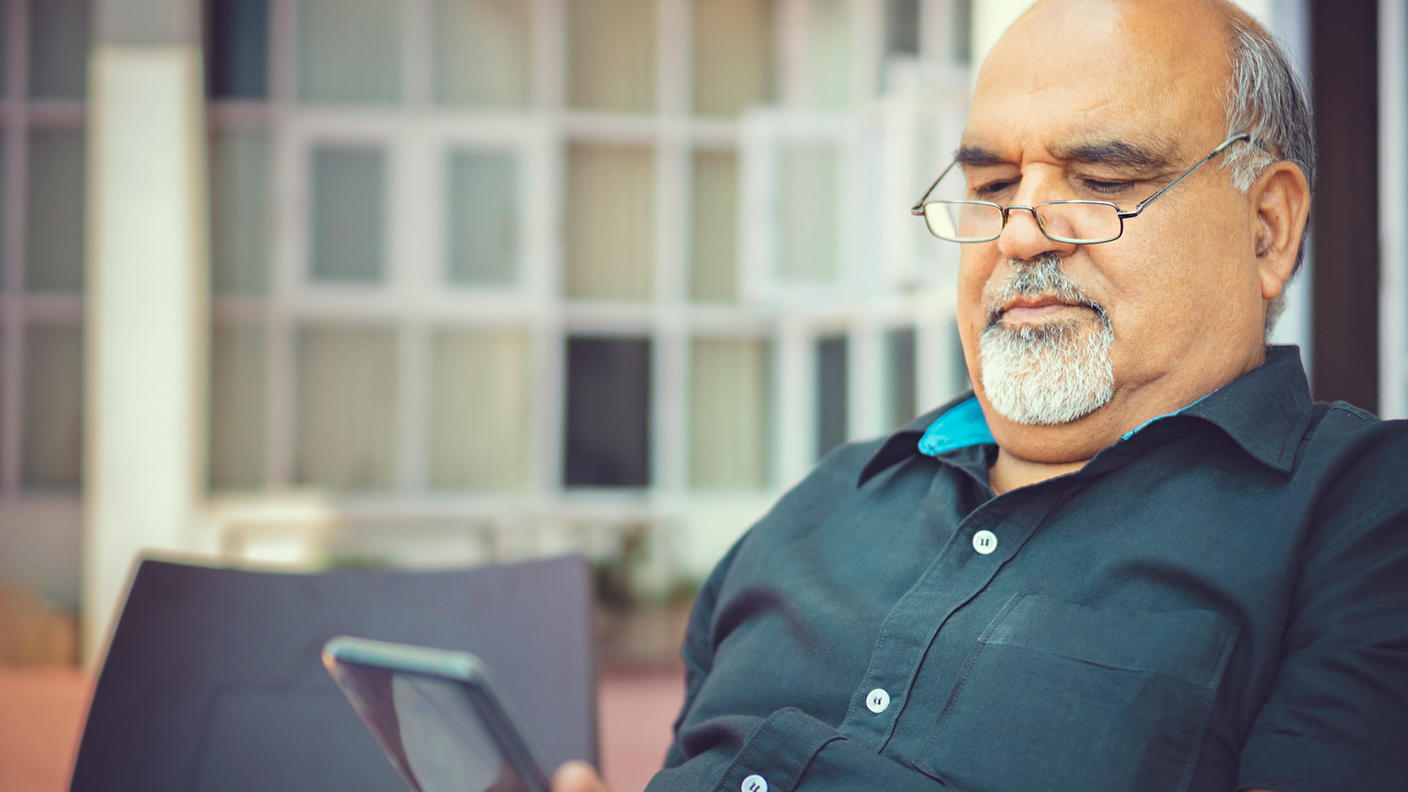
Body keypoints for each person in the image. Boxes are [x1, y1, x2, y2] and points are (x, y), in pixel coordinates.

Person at [555, 0, 1408, 789]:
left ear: (1266, 228)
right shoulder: (816, 509)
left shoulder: (1366, 519)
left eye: (1102, 181)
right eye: (994, 186)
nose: (1020, 230)